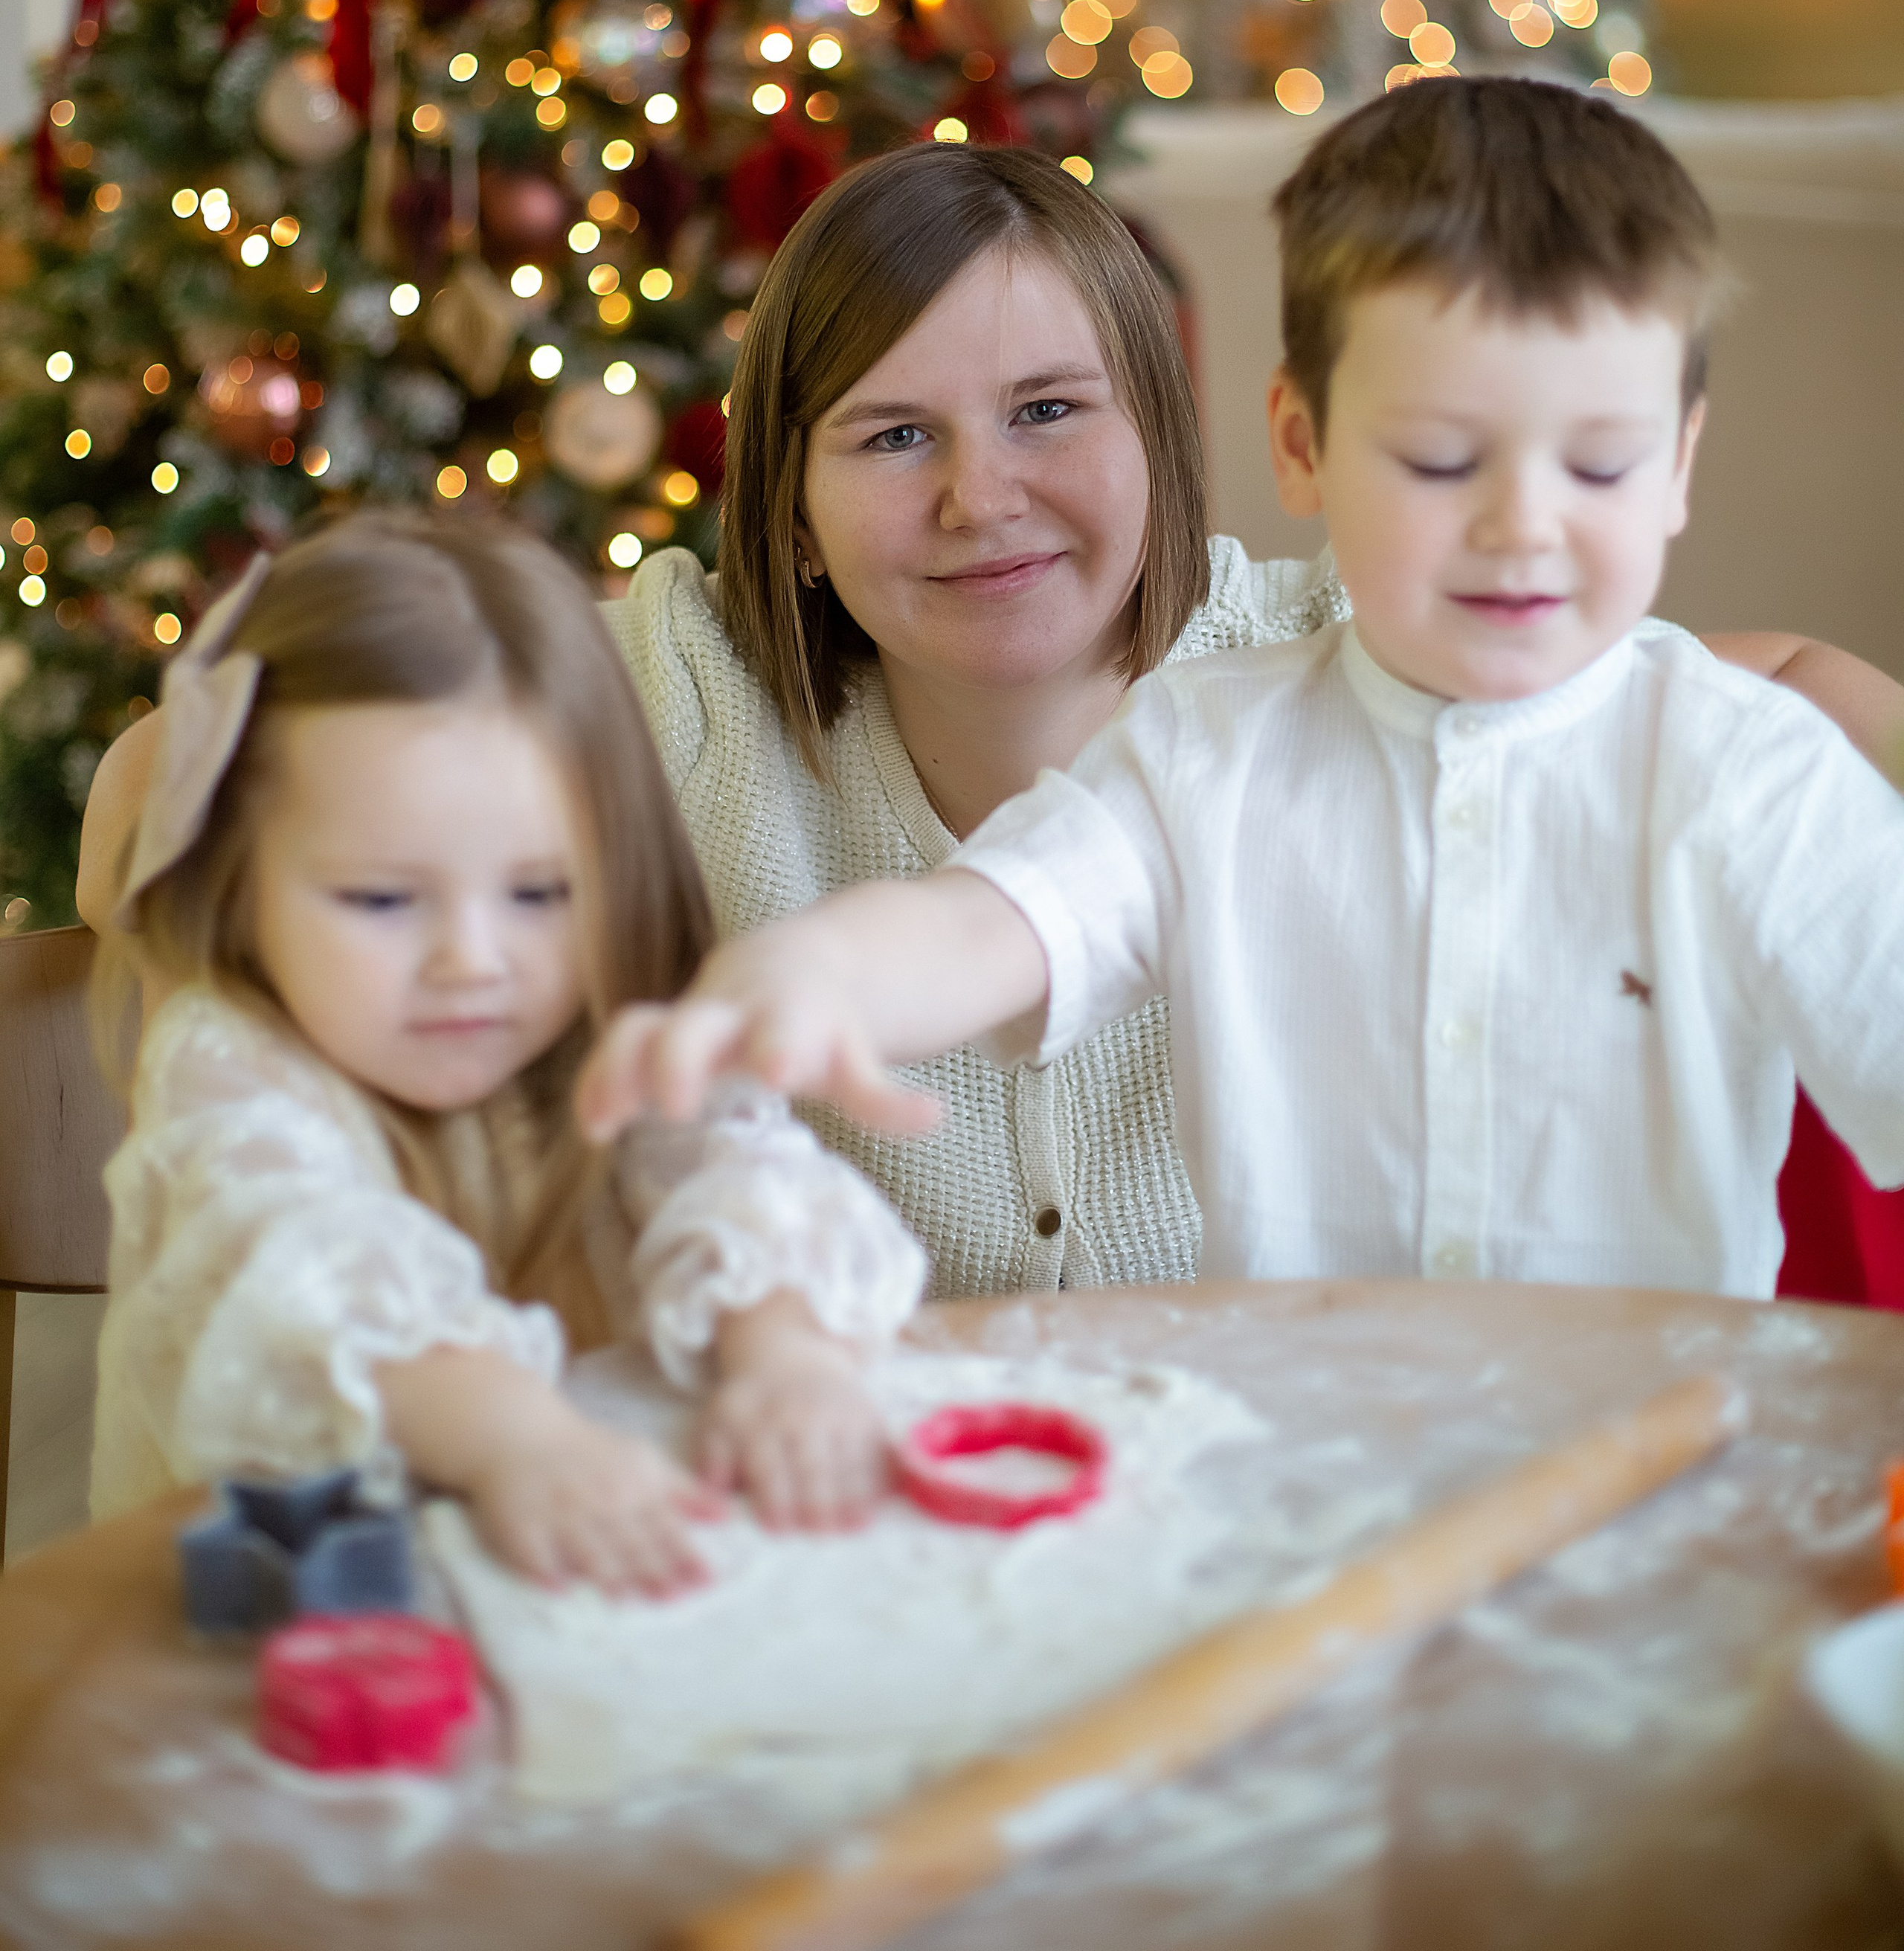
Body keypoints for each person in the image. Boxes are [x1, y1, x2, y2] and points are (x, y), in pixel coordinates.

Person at [78, 146, 1903, 1299]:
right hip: (882, 1487)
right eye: (892, 437)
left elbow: (1757, 704)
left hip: (1293, 1449)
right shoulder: (685, 683)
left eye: (1048, 412)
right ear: (785, 502)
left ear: (1176, 446)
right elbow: (190, 775)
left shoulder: (1347, 656)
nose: (982, 498)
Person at [576, 80, 1904, 1301]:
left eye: (1598, 467)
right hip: (1301, 1464)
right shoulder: (1205, 753)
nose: (1522, 528)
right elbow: (994, 932)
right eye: (1442, 462)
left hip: (1659, 1477)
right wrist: (815, 969)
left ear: (1678, 465)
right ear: (1301, 449)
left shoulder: (1736, 771)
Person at [89, 512, 924, 1592]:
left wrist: (786, 1357)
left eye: (540, 891)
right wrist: (518, 1442)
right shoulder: (228, 1063)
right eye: (384, 897)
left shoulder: (605, 1010)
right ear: (241, 885)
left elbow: (741, 1173)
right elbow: (306, 1271)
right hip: (265, 1633)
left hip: (563, 1573)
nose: (473, 961)